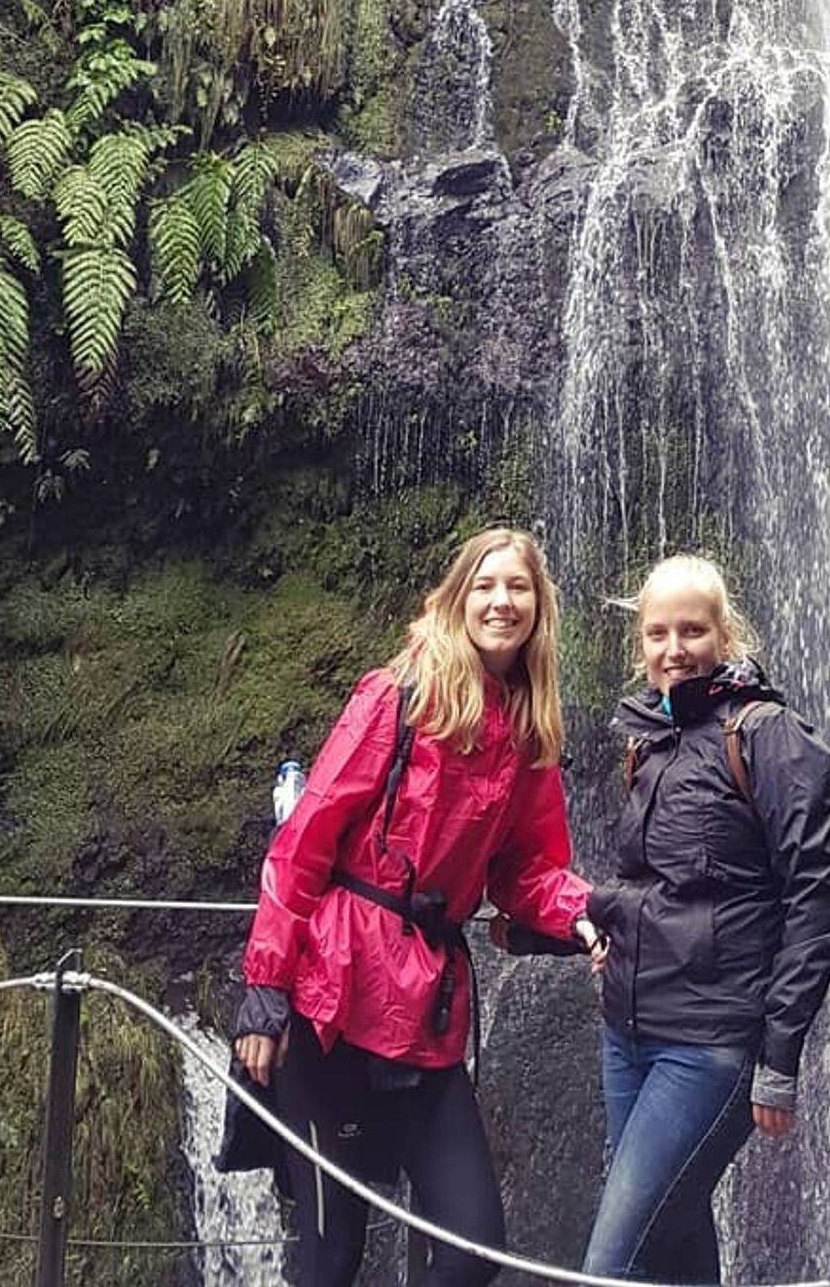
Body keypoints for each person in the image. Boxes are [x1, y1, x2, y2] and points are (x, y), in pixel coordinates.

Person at [233, 526, 599, 1287]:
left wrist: (589, 912)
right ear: (459, 595)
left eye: (519, 588)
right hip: (330, 996)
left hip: (425, 1009)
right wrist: (265, 991)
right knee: (331, 1252)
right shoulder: (397, 695)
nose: (502, 601)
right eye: (487, 585)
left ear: (540, 607)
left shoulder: (529, 731)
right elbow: (304, 839)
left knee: (471, 1247)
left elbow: (528, 872)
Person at [581, 554, 830, 1283]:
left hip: (709, 1048)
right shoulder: (649, 739)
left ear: (724, 635)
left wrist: (780, 1058)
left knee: (614, 1266)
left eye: (693, 630)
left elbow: (819, 894)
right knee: (672, 1244)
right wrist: (611, 930)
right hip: (627, 1035)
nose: (675, 650)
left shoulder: (768, 735)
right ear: (640, 644)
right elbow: (653, 883)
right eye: (658, 633)